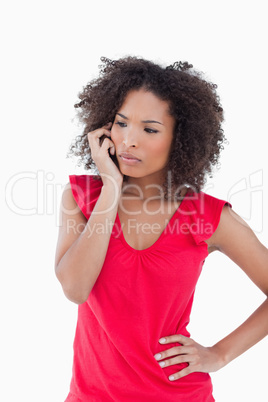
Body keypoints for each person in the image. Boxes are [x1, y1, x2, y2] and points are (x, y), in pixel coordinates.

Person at [54, 56, 268, 402]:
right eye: (121, 124)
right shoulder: (82, 198)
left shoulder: (207, 216)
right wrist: (110, 187)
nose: (128, 141)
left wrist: (220, 354)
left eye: (149, 129)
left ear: (180, 138)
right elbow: (75, 288)